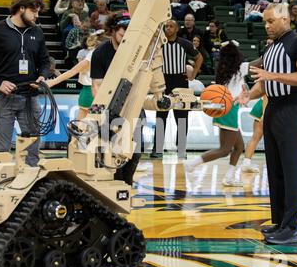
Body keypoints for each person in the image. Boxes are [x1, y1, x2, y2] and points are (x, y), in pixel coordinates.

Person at [236, 2, 297, 245]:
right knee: (275, 167)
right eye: (264, 22)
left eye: (270, 21)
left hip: (292, 106)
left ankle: (292, 226)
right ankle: (280, 221)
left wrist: (272, 76)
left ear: (285, 18)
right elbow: (263, 83)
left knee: (290, 168)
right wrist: (249, 95)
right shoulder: (271, 49)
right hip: (272, 107)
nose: (267, 26)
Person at [0, 0, 50, 167]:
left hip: (30, 96)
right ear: (21, 8)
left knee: (32, 150)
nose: (37, 16)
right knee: (1, 149)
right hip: (4, 97)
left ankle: (31, 186)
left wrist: (42, 76)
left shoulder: (37, 32)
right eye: (34, 11)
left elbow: (45, 61)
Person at [185, 41, 250, 186]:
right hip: (230, 109)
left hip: (224, 108)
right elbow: (260, 62)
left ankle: (229, 177)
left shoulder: (224, 69)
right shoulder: (241, 68)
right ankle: (192, 164)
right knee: (225, 150)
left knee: (239, 147)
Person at [90, 12, 141, 185]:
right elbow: (96, 85)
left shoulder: (138, 50)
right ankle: (113, 183)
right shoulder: (100, 53)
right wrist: (103, 110)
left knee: (136, 148)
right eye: (122, 34)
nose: (126, 38)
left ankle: (127, 183)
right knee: (110, 148)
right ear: (112, 31)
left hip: (133, 103)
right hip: (109, 107)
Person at [150, 19, 203, 159]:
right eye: (166, 26)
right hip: (163, 82)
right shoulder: (159, 44)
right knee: (161, 116)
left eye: (171, 26)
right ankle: (158, 149)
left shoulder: (185, 43)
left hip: (180, 83)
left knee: (182, 118)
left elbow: (199, 58)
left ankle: (181, 149)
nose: (168, 28)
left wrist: (193, 74)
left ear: (177, 28)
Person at [47, 31, 102, 120]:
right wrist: (53, 82)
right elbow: (73, 71)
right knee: (92, 124)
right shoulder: (95, 53)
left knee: (83, 125)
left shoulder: (97, 53)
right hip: (91, 93)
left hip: (90, 92)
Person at [241, 96, 267, 173]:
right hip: (266, 105)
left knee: (256, 137)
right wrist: (265, 113)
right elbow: (266, 95)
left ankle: (246, 163)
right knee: (256, 137)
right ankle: (246, 164)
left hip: (266, 105)